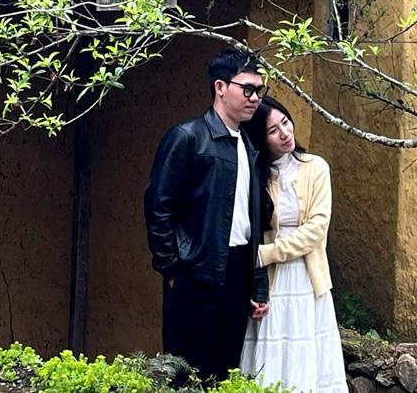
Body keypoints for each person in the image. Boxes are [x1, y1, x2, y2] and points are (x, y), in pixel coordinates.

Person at [144, 46, 271, 383]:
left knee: (223, 373)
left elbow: (250, 223)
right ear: (219, 87)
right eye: (247, 89)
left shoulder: (247, 144)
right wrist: (171, 268)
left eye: (260, 90)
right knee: (185, 375)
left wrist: (257, 284)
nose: (255, 97)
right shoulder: (187, 137)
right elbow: (159, 206)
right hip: (194, 272)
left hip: (237, 270)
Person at [241, 96, 348, 393]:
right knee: (270, 359)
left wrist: (266, 254)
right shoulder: (254, 176)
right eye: (273, 130)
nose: (285, 133)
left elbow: (316, 229)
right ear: (260, 139)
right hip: (270, 283)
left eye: (285, 122)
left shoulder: (316, 168)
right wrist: (256, 272)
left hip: (306, 278)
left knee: (307, 359)